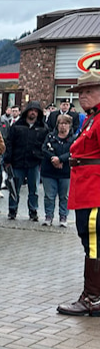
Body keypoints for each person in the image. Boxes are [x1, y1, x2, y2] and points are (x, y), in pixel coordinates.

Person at [58, 71, 100, 315]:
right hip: (87, 188)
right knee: (90, 240)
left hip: (95, 191)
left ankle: (93, 298)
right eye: (80, 92)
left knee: (93, 241)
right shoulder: (91, 118)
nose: (82, 96)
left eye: (89, 91)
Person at [3, 100, 47, 221]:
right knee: (14, 187)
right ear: (27, 112)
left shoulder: (43, 128)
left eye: (35, 111)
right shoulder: (17, 126)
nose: (33, 113)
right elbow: (9, 143)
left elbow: (45, 145)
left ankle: (33, 211)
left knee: (34, 189)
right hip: (17, 161)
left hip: (34, 162)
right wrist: (7, 160)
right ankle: (12, 210)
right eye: (31, 110)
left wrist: (41, 158)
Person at [40, 113, 75, 227]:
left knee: (64, 196)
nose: (63, 126)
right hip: (49, 171)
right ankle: (48, 216)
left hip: (65, 172)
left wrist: (60, 159)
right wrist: (54, 159)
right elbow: (45, 149)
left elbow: (73, 152)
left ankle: (63, 217)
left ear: (69, 125)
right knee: (49, 196)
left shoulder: (73, 139)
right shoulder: (50, 137)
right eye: (61, 123)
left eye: (65, 123)